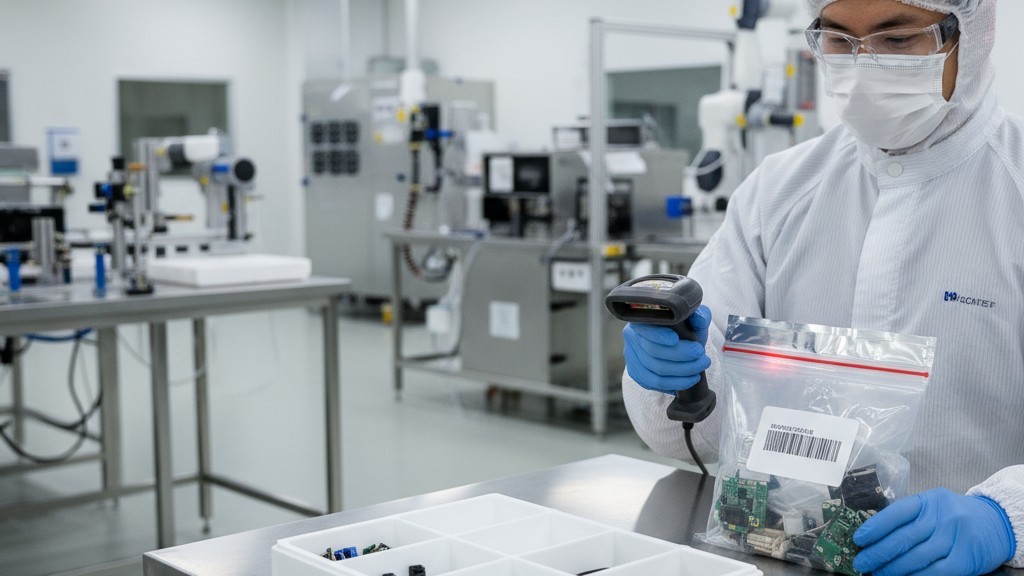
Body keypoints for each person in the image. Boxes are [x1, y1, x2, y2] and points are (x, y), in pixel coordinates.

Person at [621, 0, 1023, 574]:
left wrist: (1007, 517)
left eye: (897, 40)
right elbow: (692, 437)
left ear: (975, 36)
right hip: (787, 551)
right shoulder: (778, 191)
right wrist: (670, 376)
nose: (864, 68)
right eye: (839, 40)